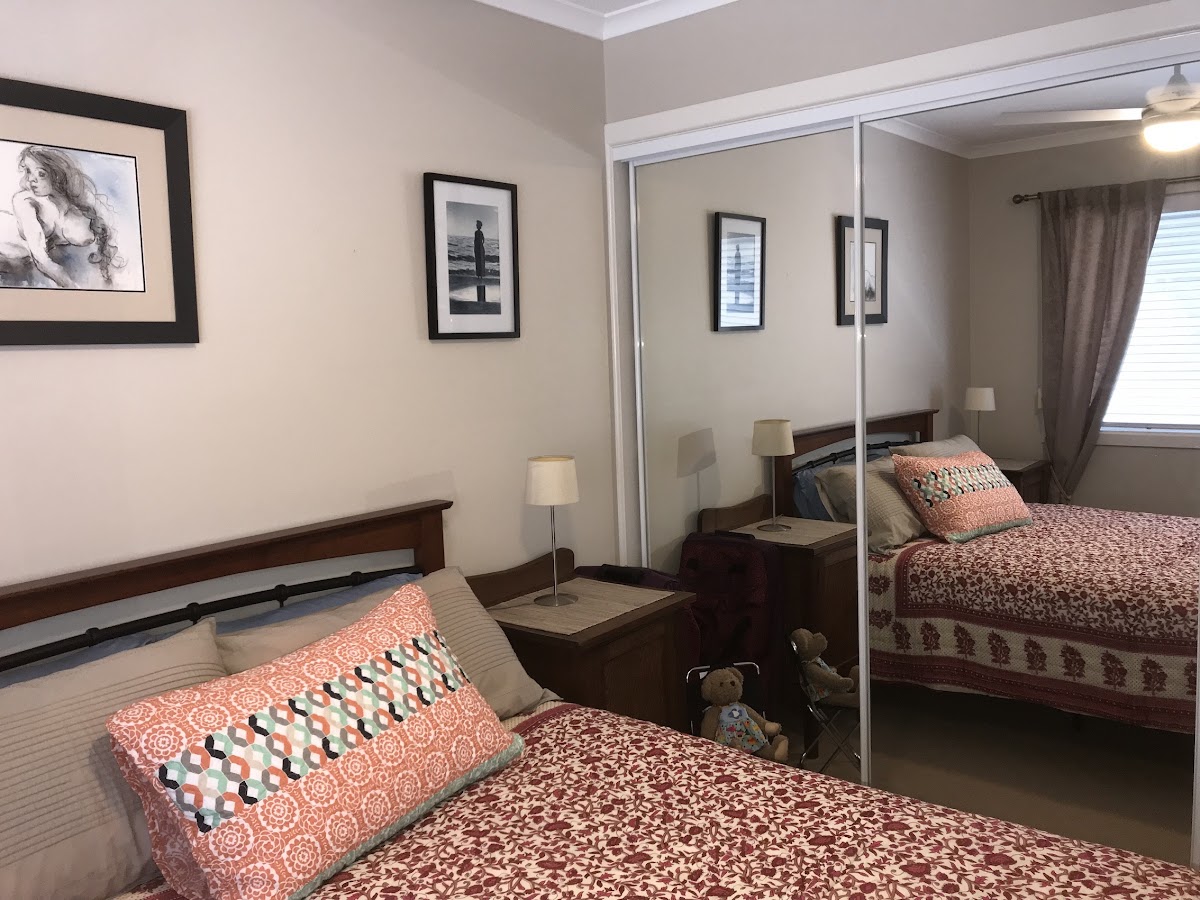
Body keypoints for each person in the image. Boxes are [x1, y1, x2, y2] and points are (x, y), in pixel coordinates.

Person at [0, 145, 122, 288]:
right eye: (28, 171)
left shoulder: (68, 206)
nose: (31, 179)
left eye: (41, 174)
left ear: (57, 176)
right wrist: (72, 287)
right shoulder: (25, 201)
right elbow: (41, 259)